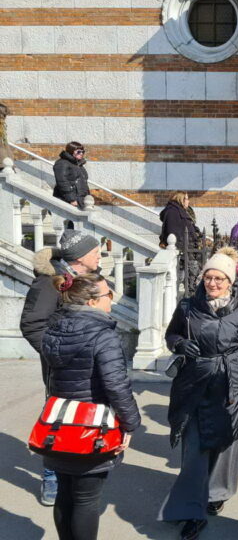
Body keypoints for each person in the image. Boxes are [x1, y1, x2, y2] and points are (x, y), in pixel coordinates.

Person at [159, 248, 238, 540]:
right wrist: (179, 344)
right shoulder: (188, 306)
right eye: (209, 277)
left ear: (231, 282)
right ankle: (192, 512)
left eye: (219, 278)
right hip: (193, 384)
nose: (213, 283)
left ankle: (217, 492)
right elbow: (171, 335)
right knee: (193, 450)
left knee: (224, 446)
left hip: (230, 386)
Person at [41, 273, 140, 540]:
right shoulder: (103, 335)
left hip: (59, 426)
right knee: (86, 499)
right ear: (93, 302)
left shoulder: (53, 328)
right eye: (108, 294)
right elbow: (117, 386)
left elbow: (49, 379)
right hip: (90, 429)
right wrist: (131, 423)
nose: (112, 300)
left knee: (64, 493)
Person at [20, 231, 102, 506]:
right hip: (62, 368)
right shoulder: (49, 281)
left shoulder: (88, 278)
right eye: (95, 251)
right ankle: (51, 478)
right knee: (57, 420)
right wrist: (59, 354)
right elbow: (32, 323)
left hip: (86, 365)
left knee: (80, 418)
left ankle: (77, 470)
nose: (100, 255)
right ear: (80, 257)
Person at [52, 141, 90, 209]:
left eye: (82, 152)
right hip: (70, 201)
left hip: (81, 200)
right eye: (78, 152)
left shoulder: (79, 165)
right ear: (71, 151)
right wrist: (71, 199)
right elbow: (62, 182)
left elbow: (84, 183)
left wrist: (88, 197)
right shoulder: (62, 163)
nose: (81, 153)